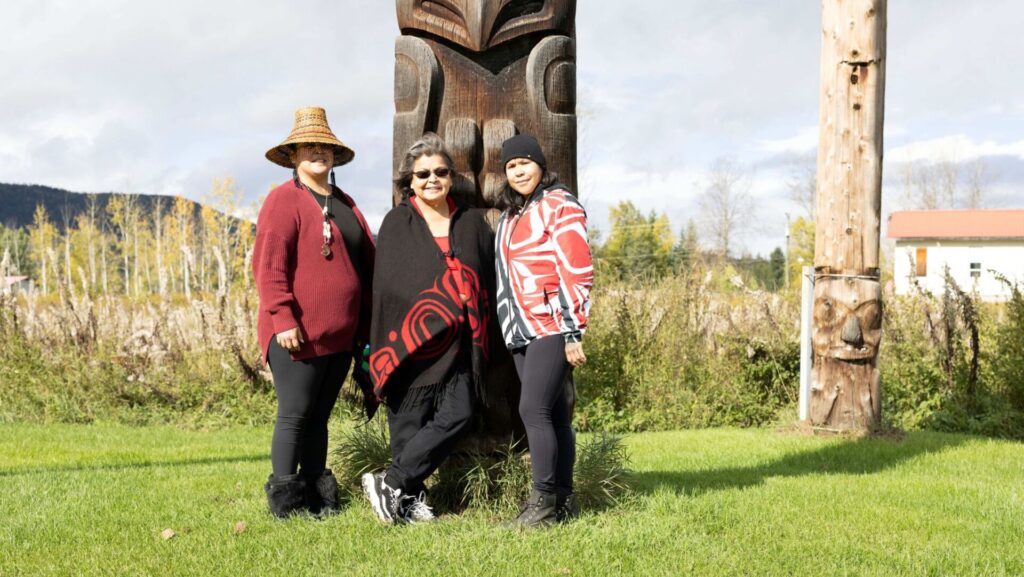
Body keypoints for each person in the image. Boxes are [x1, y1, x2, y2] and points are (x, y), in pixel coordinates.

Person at [361, 132, 494, 525]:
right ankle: (409, 501)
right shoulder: (398, 223)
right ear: (409, 181)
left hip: (460, 347)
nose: (431, 179)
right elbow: (392, 285)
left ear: (451, 176)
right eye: (422, 174)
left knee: (460, 412)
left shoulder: (470, 222)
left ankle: (391, 482)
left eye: (440, 172)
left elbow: (486, 274)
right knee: (407, 427)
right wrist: (446, 305)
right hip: (411, 346)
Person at [254, 107, 376, 518]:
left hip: (340, 337)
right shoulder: (283, 200)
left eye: (325, 147)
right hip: (297, 332)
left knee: (319, 418)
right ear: (292, 155)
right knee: (295, 414)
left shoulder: (346, 202)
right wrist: (282, 317)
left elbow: (365, 261)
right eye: (309, 147)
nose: (318, 154)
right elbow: (269, 266)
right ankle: (288, 502)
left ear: (335, 155)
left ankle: (317, 494)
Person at [494, 134, 593, 527]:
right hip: (520, 327)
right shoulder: (511, 214)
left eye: (525, 162)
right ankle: (564, 501)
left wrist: (573, 329)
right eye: (511, 166)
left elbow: (578, 267)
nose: (518, 171)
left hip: (551, 323)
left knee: (531, 409)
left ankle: (543, 504)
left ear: (540, 165)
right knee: (552, 414)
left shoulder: (560, 205)